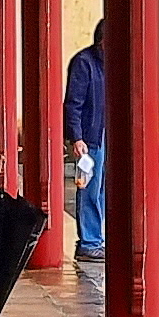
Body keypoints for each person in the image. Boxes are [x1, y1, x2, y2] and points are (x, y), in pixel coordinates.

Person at [62, 20, 108, 262]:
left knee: (103, 190)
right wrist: (77, 137)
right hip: (90, 137)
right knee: (89, 188)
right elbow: (73, 103)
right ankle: (89, 242)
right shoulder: (84, 62)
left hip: (106, 134)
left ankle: (98, 238)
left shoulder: (112, 64)